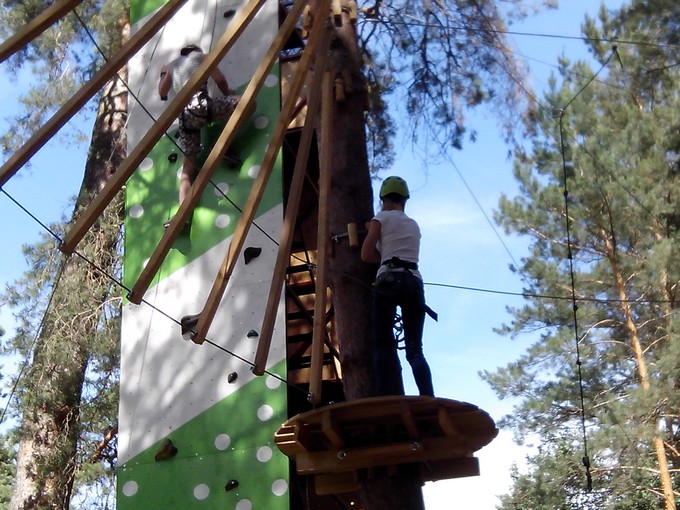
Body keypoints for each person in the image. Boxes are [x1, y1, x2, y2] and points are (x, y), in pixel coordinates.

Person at [361, 176, 435, 397]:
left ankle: (386, 396)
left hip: (389, 280)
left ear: (383, 199)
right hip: (414, 282)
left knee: (382, 343)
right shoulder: (413, 225)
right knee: (415, 350)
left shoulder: (380, 218)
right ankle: (428, 397)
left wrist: (383, 256)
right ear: (404, 200)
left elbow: (365, 255)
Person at [158, 44, 244, 216]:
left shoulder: (170, 67)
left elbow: (162, 92)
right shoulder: (201, 57)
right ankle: (221, 145)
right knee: (247, 103)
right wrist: (228, 94)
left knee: (187, 172)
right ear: (195, 51)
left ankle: (183, 214)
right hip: (204, 107)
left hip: (186, 118)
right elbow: (219, 80)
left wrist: (163, 73)